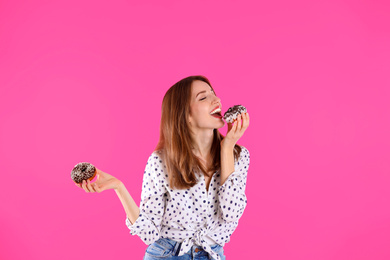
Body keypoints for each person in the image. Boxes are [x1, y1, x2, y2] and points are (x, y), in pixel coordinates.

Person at [75, 75, 250, 259]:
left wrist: (228, 147)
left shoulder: (238, 155)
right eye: (203, 97)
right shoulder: (161, 162)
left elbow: (231, 214)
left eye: (214, 93)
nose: (217, 100)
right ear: (186, 115)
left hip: (212, 253)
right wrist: (119, 187)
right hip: (168, 254)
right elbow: (149, 233)